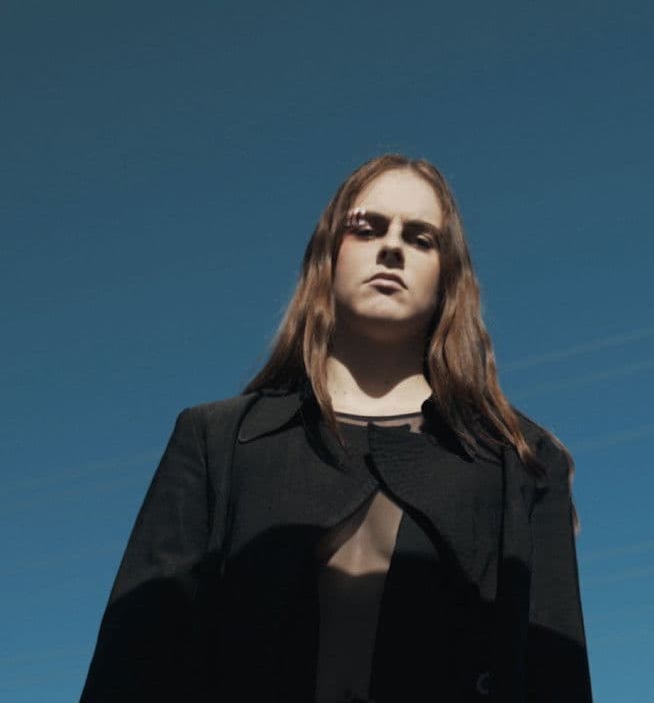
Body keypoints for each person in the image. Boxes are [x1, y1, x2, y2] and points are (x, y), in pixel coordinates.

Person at [82, 154, 592, 703]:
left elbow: (556, 677)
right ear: (328, 253)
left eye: (421, 238)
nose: (392, 248)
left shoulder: (521, 459)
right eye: (367, 229)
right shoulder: (216, 441)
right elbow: (131, 664)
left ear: (449, 277)